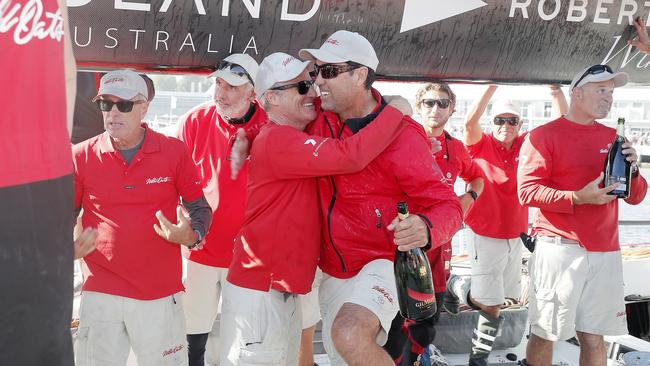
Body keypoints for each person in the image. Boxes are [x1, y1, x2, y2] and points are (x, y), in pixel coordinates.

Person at [220, 51, 409, 366]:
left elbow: (351, 101)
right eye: (302, 88)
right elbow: (352, 156)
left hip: (277, 291)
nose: (314, 91)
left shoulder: (284, 134)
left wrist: (382, 101)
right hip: (261, 294)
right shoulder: (279, 140)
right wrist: (396, 112)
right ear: (272, 99)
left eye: (311, 82)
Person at [299, 30, 463, 365]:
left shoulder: (404, 136)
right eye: (316, 71)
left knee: (348, 334)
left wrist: (427, 226)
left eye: (328, 71)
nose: (318, 81)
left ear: (360, 75)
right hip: (330, 269)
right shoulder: (317, 117)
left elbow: (448, 206)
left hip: (382, 263)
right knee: (343, 352)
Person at [73, 70, 212, 366]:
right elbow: (59, 217)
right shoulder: (81, 155)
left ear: (144, 107)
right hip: (101, 293)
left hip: (159, 294)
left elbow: (200, 209)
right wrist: (65, 251)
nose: (113, 113)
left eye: (123, 105)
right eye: (105, 104)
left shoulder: (174, 151)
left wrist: (190, 236)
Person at [518, 65, 647, 366]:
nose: (608, 98)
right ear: (577, 94)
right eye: (601, 90)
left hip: (605, 252)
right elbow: (527, 192)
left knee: (593, 337)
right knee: (545, 333)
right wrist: (576, 197)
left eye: (611, 92)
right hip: (558, 249)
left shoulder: (616, 137)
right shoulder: (542, 136)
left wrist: (635, 169)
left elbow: (636, 195)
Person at [443, 84, 567, 366]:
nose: (505, 125)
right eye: (500, 120)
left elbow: (560, 128)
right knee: (492, 303)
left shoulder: (526, 145)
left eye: (512, 120)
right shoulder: (480, 143)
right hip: (484, 232)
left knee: (502, 299)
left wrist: (557, 94)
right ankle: (478, 359)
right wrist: (493, 84)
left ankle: (457, 285)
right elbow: (469, 122)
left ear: (519, 124)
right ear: (492, 123)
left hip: (516, 235)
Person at [175, 53, 267, 366]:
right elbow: (175, 183)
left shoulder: (271, 127)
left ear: (253, 92)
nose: (221, 93)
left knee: (240, 347)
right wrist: (183, 220)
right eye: (218, 83)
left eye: (232, 86)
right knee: (191, 340)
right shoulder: (193, 120)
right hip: (198, 251)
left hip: (248, 257)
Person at [384, 82, 485, 364]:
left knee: (425, 330)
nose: (435, 109)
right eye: (429, 103)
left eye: (442, 103)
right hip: (400, 251)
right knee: (393, 331)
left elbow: (478, 177)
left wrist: (468, 199)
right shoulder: (400, 139)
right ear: (419, 107)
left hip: (438, 254)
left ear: (452, 108)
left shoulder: (456, 148)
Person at [0, 0, 77, 364]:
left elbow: (67, 72)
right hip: (49, 169)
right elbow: (67, 74)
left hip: (40, 169)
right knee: (43, 333)